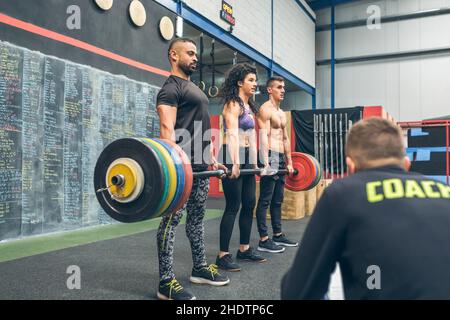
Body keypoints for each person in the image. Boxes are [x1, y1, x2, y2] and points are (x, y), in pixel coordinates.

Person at [281, 117, 450, 299]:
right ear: (406, 163)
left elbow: (297, 293)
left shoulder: (342, 193)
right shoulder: (445, 192)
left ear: (351, 166)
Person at [156, 38, 229, 300]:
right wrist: (172, 167)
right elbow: (167, 129)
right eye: (190, 53)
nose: (195, 57)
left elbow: (200, 127)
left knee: (196, 219)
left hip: (200, 165)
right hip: (182, 168)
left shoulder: (192, 87)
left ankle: (199, 268)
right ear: (173, 56)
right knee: (172, 221)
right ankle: (165, 282)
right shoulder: (170, 88)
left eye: (196, 53)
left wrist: (210, 158)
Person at [215, 63, 267, 272]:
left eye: (256, 80)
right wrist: (235, 162)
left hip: (245, 157)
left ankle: (244, 249)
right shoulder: (232, 104)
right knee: (233, 205)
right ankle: (223, 255)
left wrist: (254, 164)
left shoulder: (248, 107)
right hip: (230, 154)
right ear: (239, 82)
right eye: (251, 80)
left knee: (249, 203)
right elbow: (233, 134)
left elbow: (251, 137)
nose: (255, 84)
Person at [255, 76, 298, 253]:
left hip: (280, 157)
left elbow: (286, 138)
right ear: (269, 90)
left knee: (278, 199)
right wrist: (265, 162)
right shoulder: (265, 110)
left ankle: (278, 234)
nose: (283, 90)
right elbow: (263, 137)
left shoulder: (281, 113)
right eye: (279, 87)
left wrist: (290, 161)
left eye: (284, 88)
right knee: (265, 199)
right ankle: (263, 240)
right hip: (270, 155)